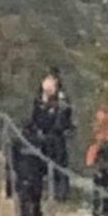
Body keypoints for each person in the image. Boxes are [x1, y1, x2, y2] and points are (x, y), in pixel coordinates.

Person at [31, 69, 73, 201]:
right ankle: (43, 191)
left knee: (59, 165)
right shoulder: (39, 100)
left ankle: (60, 194)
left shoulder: (62, 102)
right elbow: (36, 118)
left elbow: (65, 119)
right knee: (41, 164)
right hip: (42, 136)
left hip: (57, 137)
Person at [11, 120, 47, 216]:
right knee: (36, 199)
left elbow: (13, 158)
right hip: (37, 173)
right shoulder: (41, 141)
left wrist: (15, 170)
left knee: (24, 199)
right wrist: (44, 172)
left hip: (23, 173)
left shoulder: (18, 141)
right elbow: (45, 159)